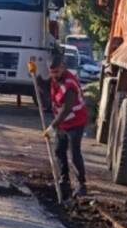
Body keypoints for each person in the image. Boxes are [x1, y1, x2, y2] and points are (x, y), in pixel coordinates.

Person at [30, 52, 88, 199]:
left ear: (63, 67)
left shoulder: (70, 84)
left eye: (56, 72)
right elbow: (43, 86)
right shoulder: (56, 78)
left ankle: (81, 185)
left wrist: (53, 126)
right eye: (51, 72)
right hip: (63, 123)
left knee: (74, 153)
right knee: (59, 150)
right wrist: (34, 73)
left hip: (76, 121)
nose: (54, 75)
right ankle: (64, 181)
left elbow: (66, 109)